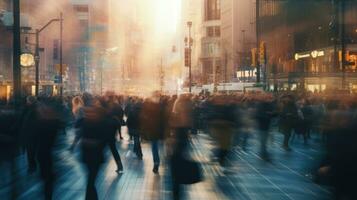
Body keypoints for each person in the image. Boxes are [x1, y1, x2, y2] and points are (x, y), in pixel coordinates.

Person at [76, 98, 114, 200]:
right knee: (91, 180)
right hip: (88, 156)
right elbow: (77, 125)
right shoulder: (86, 122)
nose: (89, 114)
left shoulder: (102, 124)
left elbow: (105, 139)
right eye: (88, 113)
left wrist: (94, 143)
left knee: (91, 180)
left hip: (95, 156)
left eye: (92, 113)